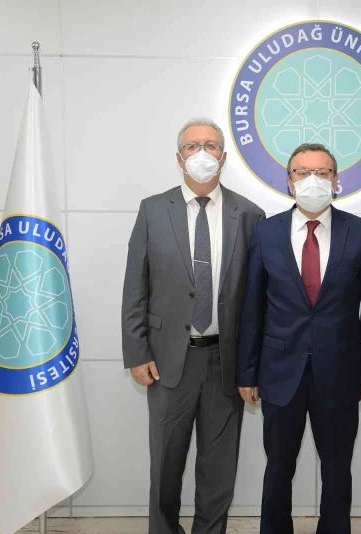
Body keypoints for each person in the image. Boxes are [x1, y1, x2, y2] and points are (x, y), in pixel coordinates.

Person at [121, 118, 265, 534]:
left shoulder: (250, 215)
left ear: (224, 156)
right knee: (165, 464)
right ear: (179, 157)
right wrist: (137, 352)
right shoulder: (153, 210)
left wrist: (252, 365)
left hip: (226, 361)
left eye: (210, 145)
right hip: (167, 361)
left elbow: (258, 299)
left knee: (219, 468)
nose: (201, 153)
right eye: (192, 146)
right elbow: (135, 286)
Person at [236, 143, 361, 534]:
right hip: (278, 372)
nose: (312, 180)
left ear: (336, 180)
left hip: (340, 372)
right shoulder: (266, 233)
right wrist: (247, 373)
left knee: (337, 470)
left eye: (322, 172)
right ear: (289, 181)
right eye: (302, 172)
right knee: (278, 468)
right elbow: (252, 308)